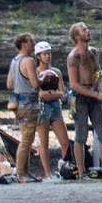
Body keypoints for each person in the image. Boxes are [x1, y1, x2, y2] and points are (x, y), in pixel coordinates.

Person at [67, 23, 102, 177]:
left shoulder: (93, 52)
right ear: (77, 37)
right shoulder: (73, 57)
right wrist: (95, 95)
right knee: (81, 135)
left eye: (88, 28)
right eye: (84, 30)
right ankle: (80, 172)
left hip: (94, 93)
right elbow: (74, 85)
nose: (88, 31)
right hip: (80, 97)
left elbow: (98, 72)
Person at [32, 42, 72, 178]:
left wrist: (51, 94)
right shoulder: (35, 72)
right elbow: (40, 95)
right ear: (38, 56)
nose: (48, 56)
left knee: (65, 141)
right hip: (42, 109)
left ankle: (64, 168)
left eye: (49, 53)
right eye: (45, 54)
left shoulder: (56, 72)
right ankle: (47, 173)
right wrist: (53, 94)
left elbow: (62, 92)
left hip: (55, 107)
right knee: (44, 142)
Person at [6, 32, 41, 180]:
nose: (33, 44)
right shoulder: (28, 61)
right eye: (31, 41)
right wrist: (43, 79)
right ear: (24, 44)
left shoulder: (14, 61)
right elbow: (35, 83)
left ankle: (25, 172)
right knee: (27, 140)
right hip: (29, 105)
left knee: (26, 138)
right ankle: (20, 173)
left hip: (18, 104)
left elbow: (9, 84)